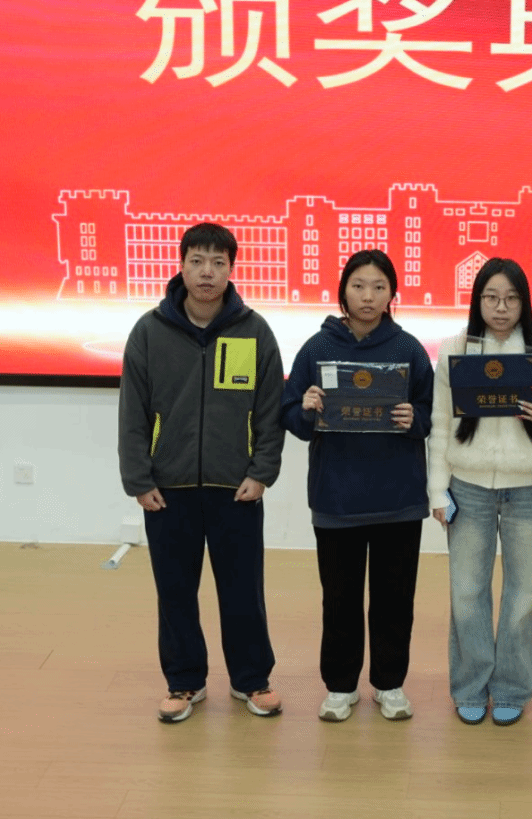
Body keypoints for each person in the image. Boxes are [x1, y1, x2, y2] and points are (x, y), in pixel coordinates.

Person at [118, 222, 285, 723]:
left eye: (217, 262)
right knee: (175, 592)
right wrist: (139, 480)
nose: (207, 272)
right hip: (168, 490)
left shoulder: (254, 331)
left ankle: (251, 680)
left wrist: (262, 471)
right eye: (197, 261)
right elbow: (132, 413)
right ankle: (184, 681)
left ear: (232, 268)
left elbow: (270, 410)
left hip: (236, 488)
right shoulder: (149, 332)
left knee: (243, 592)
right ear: (181, 265)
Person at [280, 249, 434, 723]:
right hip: (337, 499)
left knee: (395, 601)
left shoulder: (408, 350)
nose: (368, 297)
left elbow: (432, 415)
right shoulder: (316, 349)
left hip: (398, 500)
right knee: (340, 601)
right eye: (359, 286)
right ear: (342, 291)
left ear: (392, 294)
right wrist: (306, 407)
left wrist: (414, 419)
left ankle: (390, 684)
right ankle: (340, 686)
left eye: (379, 287)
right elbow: (291, 416)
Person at [427, 258, 532, 727]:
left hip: (528, 488)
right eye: (491, 297)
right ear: (478, 300)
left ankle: (511, 688)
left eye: (511, 298)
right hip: (469, 488)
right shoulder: (454, 349)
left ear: (524, 302)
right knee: (468, 592)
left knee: (525, 593)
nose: (501, 308)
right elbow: (440, 424)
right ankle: (470, 686)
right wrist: (437, 490)